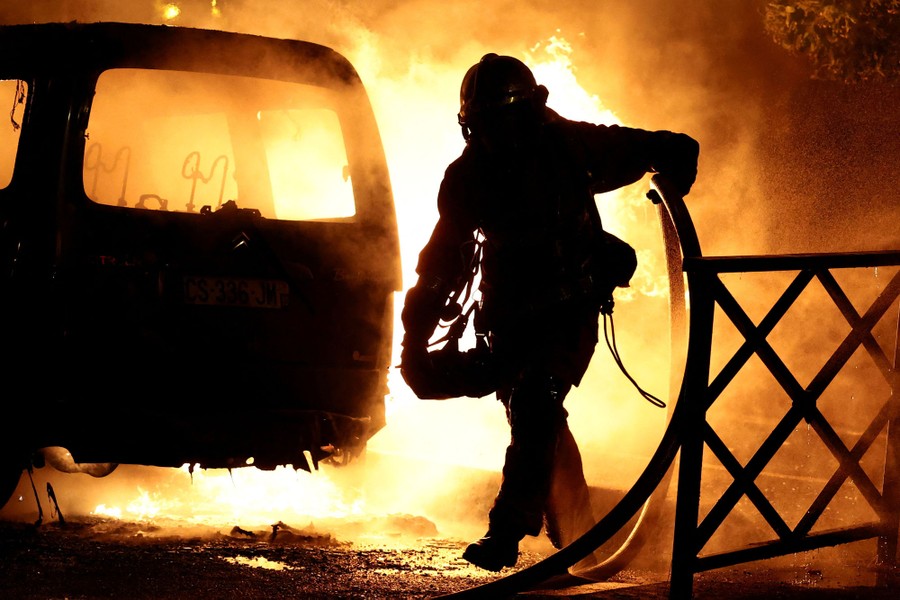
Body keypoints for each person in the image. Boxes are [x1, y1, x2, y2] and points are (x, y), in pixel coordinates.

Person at [399, 53, 699, 572]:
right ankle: (579, 539)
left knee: (537, 401)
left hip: (569, 309)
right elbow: (442, 264)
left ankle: (507, 530)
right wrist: (414, 343)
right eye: (484, 126)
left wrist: (674, 174)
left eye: (502, 123)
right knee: (540, 422)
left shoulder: (572, 147)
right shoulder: (468, 177)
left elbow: (668, 147)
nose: (495, 139)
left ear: (530, 113)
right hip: (508, 318)